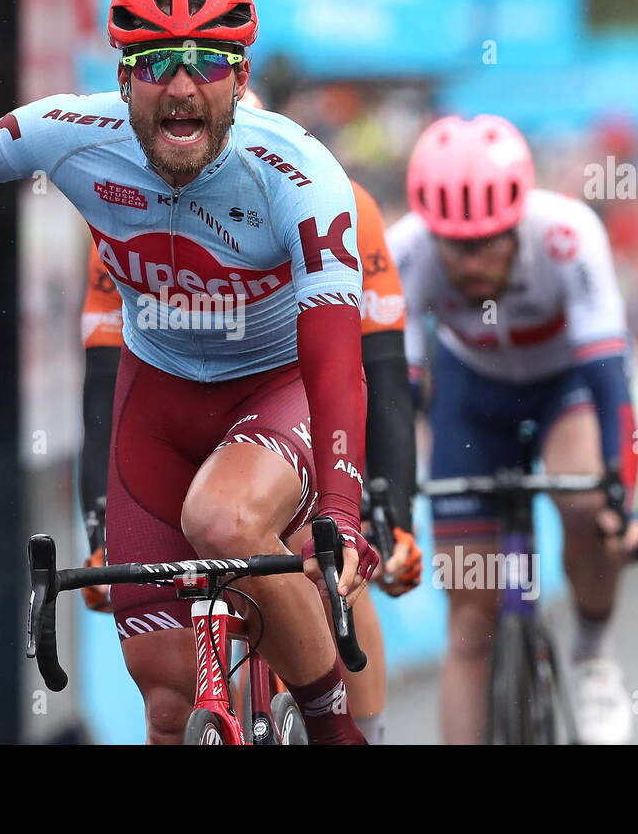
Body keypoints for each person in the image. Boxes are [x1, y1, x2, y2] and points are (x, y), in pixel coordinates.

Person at [0, 0, 379, 744]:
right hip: (160, 402)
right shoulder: (73, 134)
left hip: (274, 387)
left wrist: (343, 515)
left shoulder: (298, 175)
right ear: (121, 77)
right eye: (155, 63)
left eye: (206, 61)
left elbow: (334, 360)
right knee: (170, 708)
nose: (181, 86)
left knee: (223, 521)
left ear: (240, 78)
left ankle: (333, 730)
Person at [76, 86, 423, 743]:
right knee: (169, 707)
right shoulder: (124, 220)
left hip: (287, 411)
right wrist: (98, 520)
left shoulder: (335, 203)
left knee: (323, 566)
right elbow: (101, 390)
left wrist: (386, 507)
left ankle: (364, 732)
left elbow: (377, 371)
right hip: (176, 421)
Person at [387, 114, 638, 744]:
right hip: (472, 397)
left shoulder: (568, 234)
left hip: (564, 387)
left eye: (488, 242)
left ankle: (591, 652)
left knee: (584, 497)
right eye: (456, 245)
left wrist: (618, 486)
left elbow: (610, 375)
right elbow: (398, 390)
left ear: (518, 218)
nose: (471, 261)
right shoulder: (408, 251)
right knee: (471, 621)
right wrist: (384, 495)